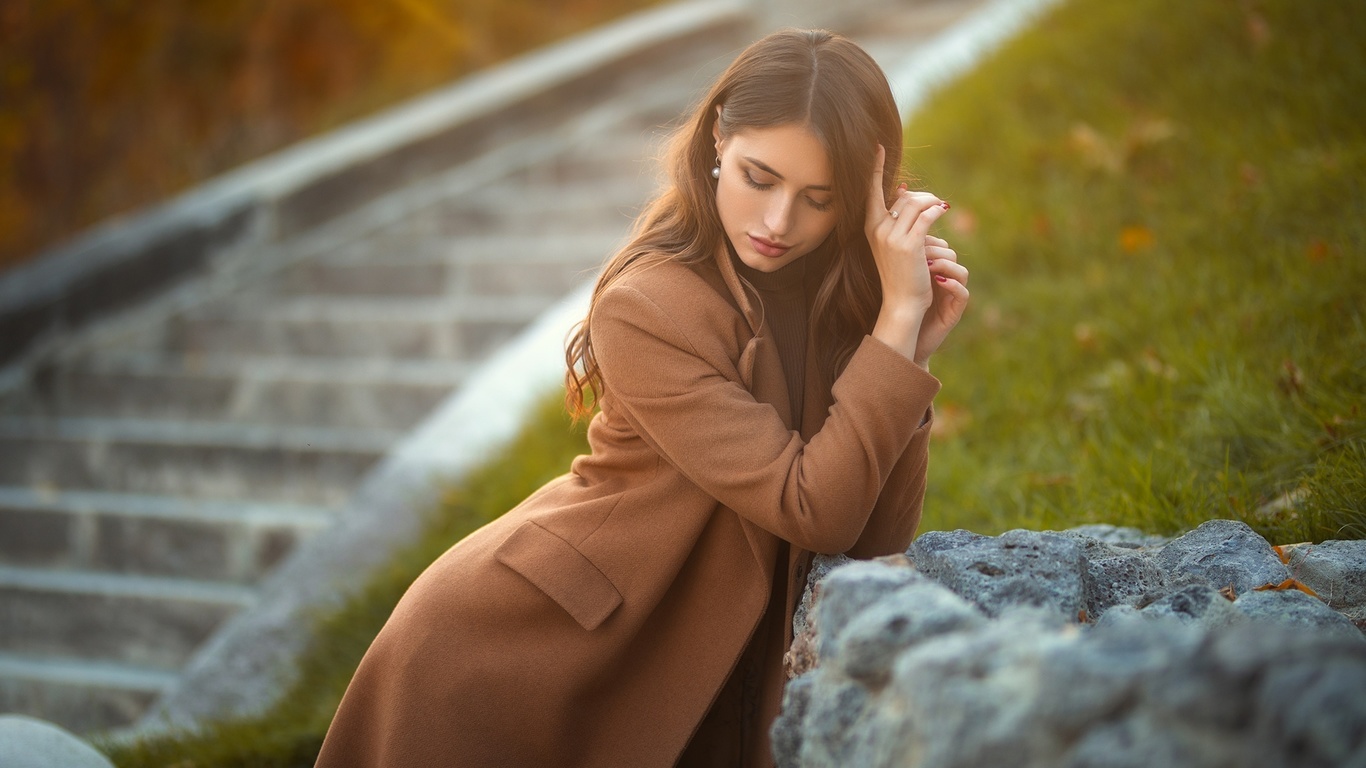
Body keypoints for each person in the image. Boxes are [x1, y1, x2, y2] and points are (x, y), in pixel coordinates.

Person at [315, 27, 968, 768]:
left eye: (819, 198)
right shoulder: (649, 306)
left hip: (687, 666)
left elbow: (865, 548)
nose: (779, 223)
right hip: (528, 657)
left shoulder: (840, 299)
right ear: (719, 138)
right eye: (759, 178)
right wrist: (891, 335)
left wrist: (904, 348)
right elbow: (815, 509)